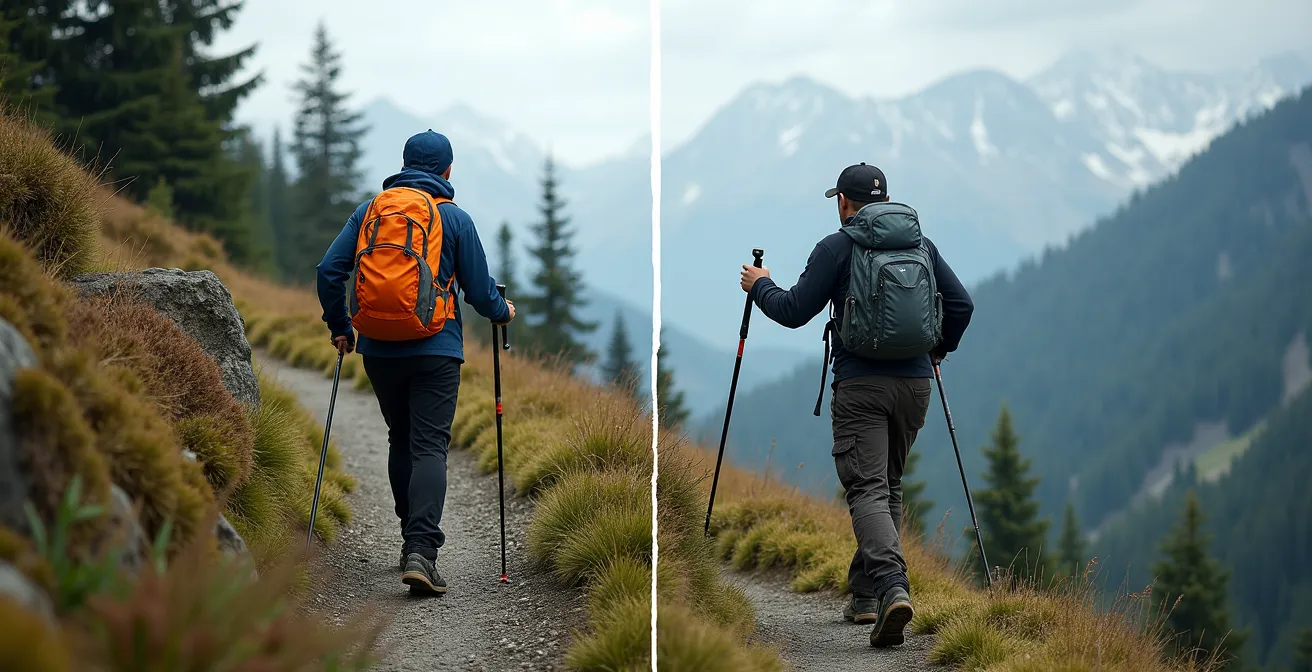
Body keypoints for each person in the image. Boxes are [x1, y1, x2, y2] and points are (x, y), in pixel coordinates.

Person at [738, 162, 973, 647]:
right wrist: (937, 350)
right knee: (887, 485)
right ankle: (865, 595)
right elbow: (961, 305)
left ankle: (891, 589)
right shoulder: (921, 246)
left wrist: (759, 283)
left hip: (861, 387)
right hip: (915, 386)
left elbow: (792, 310)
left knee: (867, 489)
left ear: (843, 203)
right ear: (884, 201)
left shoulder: (836, 247)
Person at [316, 129, 515, 595]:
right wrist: (503, 312)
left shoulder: (370, 212)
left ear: (404, 165)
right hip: (436, 349)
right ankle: (421, 552)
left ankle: (411, 538)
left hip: (378, 347)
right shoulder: (455, 218)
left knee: (401, 438)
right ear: (447, 170)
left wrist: (341, 326)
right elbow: (480, 292)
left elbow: (329, 271)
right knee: (429, 446)